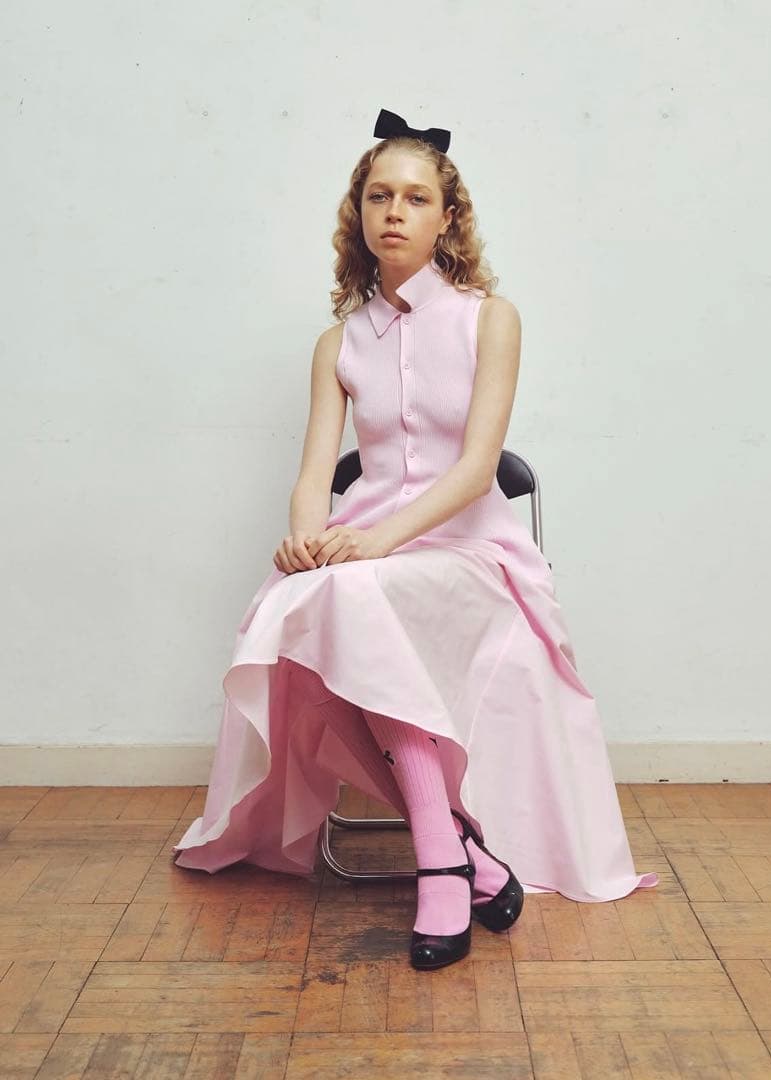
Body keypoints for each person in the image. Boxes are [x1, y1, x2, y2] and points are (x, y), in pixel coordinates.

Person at [173, 107, 658, 972]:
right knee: (296, 610)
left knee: (349, 600)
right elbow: (314, 475)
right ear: (358, 213)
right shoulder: (337, 344)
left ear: (447, 217)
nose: (394, 211)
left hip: (471, 556)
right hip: (366, 556)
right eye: (378, 196)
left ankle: (442, 860)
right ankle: (458, 849)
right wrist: (305, 540)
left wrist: (375, 544)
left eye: (415, 197)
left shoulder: (491, 319)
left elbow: (475, 471)